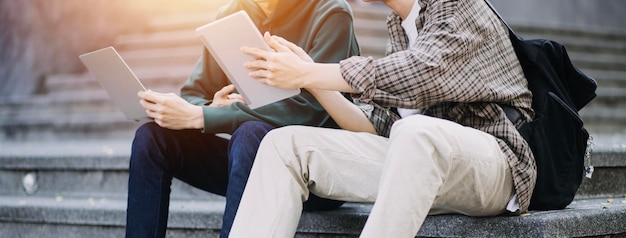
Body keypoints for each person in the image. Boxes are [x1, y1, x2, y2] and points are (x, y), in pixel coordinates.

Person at [229, 0, 536, 237]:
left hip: (497, 165)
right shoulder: (399, 28)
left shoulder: (457, 6)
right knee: (283, 144)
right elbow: (377, 126)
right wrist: (310, 79)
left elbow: (421, 73)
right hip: (421, 167)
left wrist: (309, 71)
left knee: (415, 131)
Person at [124, 0, 360, 237]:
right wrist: (210, 106)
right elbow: (194, 94)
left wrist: (204, 116)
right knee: (152, 137)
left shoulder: (331, 12)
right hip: (246, 165)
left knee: (250, 133)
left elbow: (311, 110)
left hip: (315, 178)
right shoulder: (232, 13)